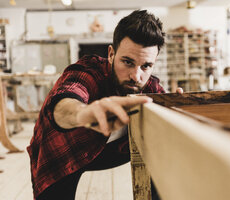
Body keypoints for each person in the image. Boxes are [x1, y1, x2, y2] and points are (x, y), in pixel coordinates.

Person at [27, 10, 182, 200]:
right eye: (127, 62)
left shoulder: (151, 86)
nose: (136, 76)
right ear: (111, 54)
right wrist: (83, 113)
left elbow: (171, 116)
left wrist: (178, 108)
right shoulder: (88, 72)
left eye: (146, 66)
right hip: (65, 150)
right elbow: (65, 101)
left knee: (161, 152)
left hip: (109, 151)